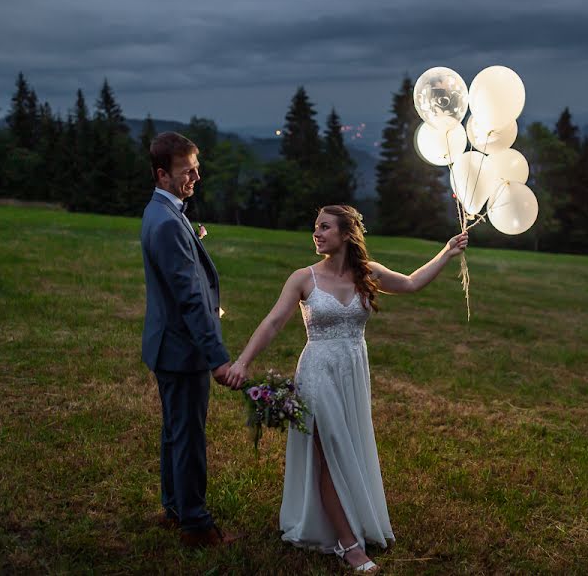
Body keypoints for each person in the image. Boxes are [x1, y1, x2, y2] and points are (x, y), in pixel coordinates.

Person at [225, 205, 468, 572]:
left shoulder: (366, 274)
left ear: (345, 234)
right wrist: (242, 362)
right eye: (315, 227)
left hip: (353, 373)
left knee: (347, 447)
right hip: (318, 373)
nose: (317, 233)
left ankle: (348, 524)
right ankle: (348, 544)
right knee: (329, 449)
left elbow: (411, 282)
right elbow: (274, 322)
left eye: (324, 227)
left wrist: (446, 252)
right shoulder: (303, 278)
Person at [140, 131, 239, 547]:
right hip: (183, 350)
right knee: (189, 437)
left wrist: (192, 243)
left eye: (196, 168)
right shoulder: (166, 223)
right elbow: (190, 300)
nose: (195, 176)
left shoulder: (166, 213)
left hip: (170, 346)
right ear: (163, 175)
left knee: (175, 432)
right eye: (186, 171)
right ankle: (196, 525)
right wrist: (217, 358)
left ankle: (175, 507)